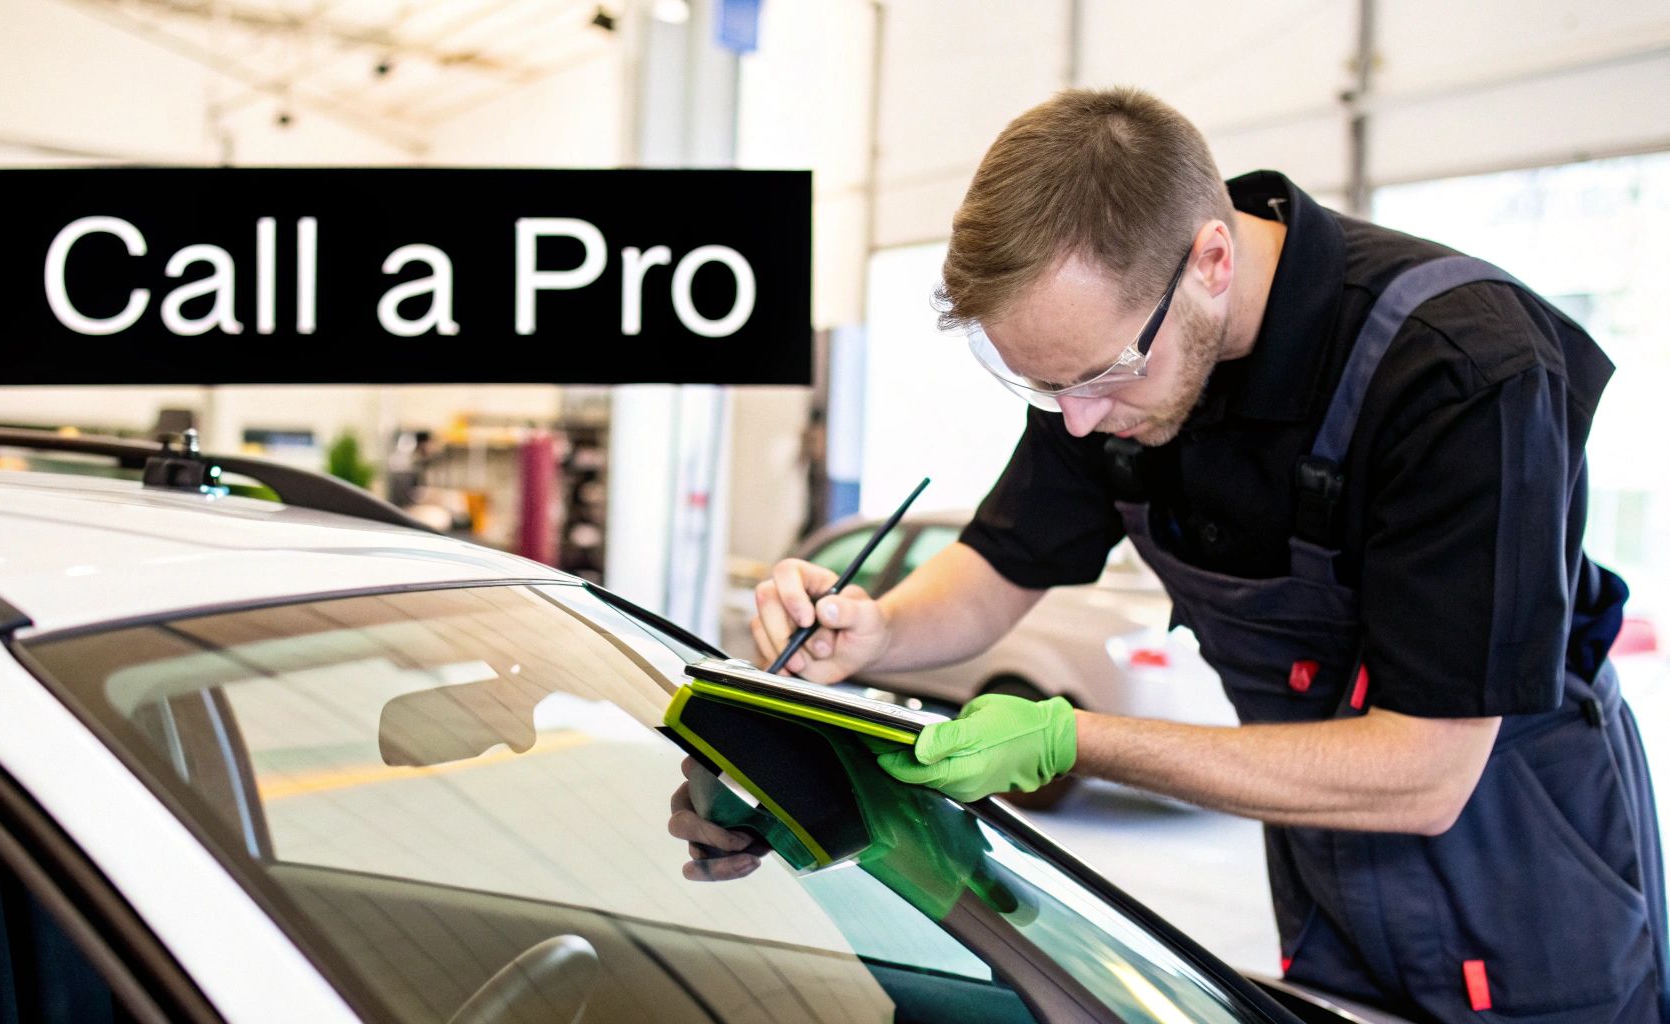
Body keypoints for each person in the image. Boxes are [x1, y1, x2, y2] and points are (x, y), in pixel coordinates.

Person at [675, 87, 1667, 1024]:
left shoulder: (1460, 372)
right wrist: (878, 629)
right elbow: (996, 567)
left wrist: (1073, 740)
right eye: (1043, 387)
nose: (1077, 419)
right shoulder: (1108, 362)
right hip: (1327, 881)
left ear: (1211, 263)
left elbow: (1423, 771)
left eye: (1099, 376)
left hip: (1529, 884)